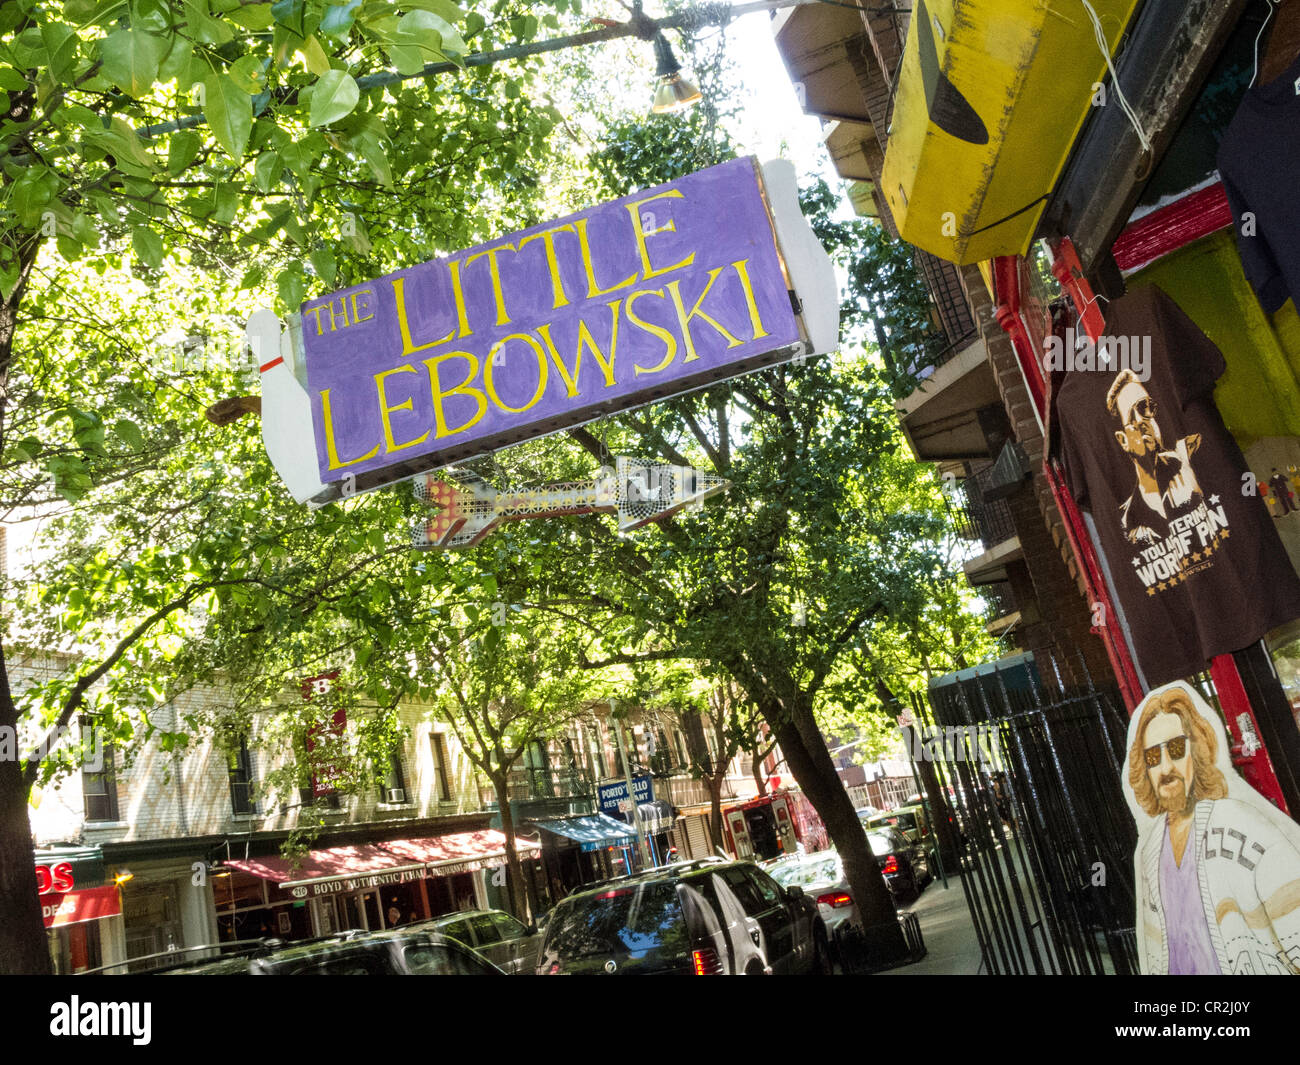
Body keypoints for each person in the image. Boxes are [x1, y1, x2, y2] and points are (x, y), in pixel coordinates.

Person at [1124, 683, 1300, 974]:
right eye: (1153, 757)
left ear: (1198, 751)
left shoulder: (1240, 823)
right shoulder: (1148, 850)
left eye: (1177, 749)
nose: (1165, 767)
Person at [1105, 369, 1204, 545]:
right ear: (1123, 440)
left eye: (1145, 407)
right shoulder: (1127, 523)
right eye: (1131, 416)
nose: (1141, 420)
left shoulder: (1189, 458)